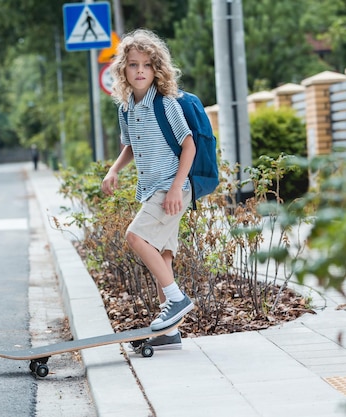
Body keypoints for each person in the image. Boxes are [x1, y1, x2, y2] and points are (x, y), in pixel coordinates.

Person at [101, 29, 195, 350]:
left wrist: (176, 189)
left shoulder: (166, 103)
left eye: (146, 65)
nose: (140, 70)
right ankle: (170, 332)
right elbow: (128, 146)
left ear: (156, 69)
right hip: (154, 189)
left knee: (135, 237)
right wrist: (114, 170)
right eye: (133, 65)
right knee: (163, 256)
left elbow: (189, 146)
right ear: (123, 70)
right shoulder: (126, 107)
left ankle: (176, 299)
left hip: (172, 189)